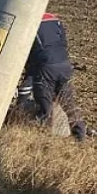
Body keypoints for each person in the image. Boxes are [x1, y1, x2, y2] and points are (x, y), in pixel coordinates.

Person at [18, 13, 87, 141]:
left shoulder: (27, 22)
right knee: (69, 103)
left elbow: (26, 55)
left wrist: (20, 102)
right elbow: (63, 43)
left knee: (45, 107)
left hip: (46, 68)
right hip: (64, 65)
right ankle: (80, 138)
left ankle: (39, 140)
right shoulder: (55, 20)